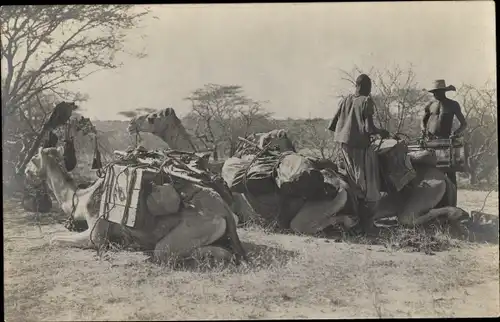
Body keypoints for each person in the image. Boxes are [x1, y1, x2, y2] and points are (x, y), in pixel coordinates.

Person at [327, 74, 389, 232]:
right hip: (360, 148)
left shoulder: (345, 100)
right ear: (367, 87)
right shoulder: (366, 101)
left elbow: (332, 125)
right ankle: (366, 224)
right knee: (368, 186)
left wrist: (347, 132)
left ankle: (355, 222)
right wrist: (381, 132)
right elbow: (369, 129)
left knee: (353, 182)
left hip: (344, 147)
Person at [421, 79, 467, 186]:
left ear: (444, 91)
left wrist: (456, 133)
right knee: (431, 170)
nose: (435, 94)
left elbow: (464, 124)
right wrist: (423, 129)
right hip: (430, 142)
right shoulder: (430, 105)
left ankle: (452, 199)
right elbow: (423, 121)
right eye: (434, 92)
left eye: (437, 92)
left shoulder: (453, 104)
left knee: (449, 171)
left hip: (446, 141)